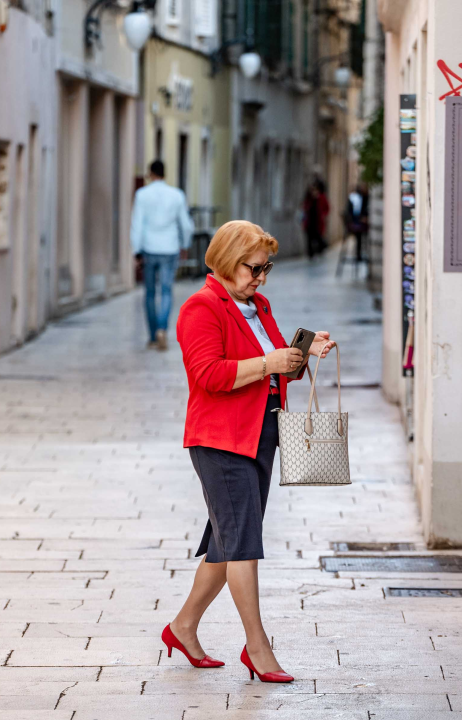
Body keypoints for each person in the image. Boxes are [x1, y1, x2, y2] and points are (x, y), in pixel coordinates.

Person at [162, 220, 336, 683]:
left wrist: (300, 354)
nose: (260, 277)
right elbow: (210, 376)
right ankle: (257, 648)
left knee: (227, 540)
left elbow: (276, 368)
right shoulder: (201, 308)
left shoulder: (258, 305)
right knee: (242, 543)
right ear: (224, 261)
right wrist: (269, 362)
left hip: (261, 434)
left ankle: (182, 628)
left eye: (266, 268)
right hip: (220, 441)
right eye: (253, 268)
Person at [131, 159, 195, 351]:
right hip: (169, 248)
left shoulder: (142, 195)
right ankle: (162, 328)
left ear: (150, 174)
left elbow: (137, 224)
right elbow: (185, 224)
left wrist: (136, 250)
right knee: (166, 291)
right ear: (165, 173)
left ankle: (152, 336)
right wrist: (184, 244)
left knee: (150, 293)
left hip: (149, 249)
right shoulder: (176, 195)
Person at [301, 179, 330, 259]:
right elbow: (304, 208)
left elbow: (326, 208)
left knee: (318, 237)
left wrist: (323, 215)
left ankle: (320, 250)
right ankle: (310, 254)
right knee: (309, 238)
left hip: (318, 222)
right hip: (309, 222)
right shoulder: (308, 199)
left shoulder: (321, 197)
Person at [345, 183, 369, 262]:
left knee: (361, 236)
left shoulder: (365, 198)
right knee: (359, 235)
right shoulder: (353, 198)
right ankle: (358, 255)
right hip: (355, 223)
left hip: (360, 223)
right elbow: (349, 212)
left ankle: (360, 254)